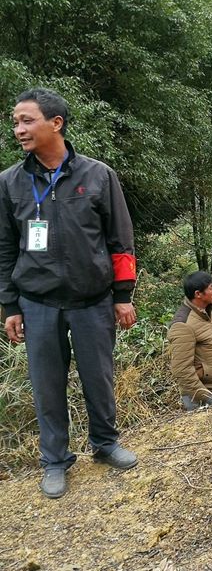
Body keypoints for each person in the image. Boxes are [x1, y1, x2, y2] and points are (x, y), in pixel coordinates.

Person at [0, 88, 138, 499]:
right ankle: (55, 461)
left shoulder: (98, 175)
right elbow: (5, 247)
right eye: (15, 122)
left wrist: (122, 294)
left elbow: (121, 240)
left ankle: (105, 443)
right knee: (47, 384)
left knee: (99, 376)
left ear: (55, 123)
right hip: (38, 302)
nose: (18, 129)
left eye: (27, 120)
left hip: (92, 299)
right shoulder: (10, 182)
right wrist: (10, 304)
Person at [167, 271, 212, 411]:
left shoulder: (209, 310)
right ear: (198, 294)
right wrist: (205, 396)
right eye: (211, 288)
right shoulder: (183, 325)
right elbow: (182, 370)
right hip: (202, 397)